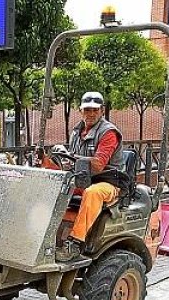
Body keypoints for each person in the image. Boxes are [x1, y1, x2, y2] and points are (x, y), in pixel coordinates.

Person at [54, 91, 127, 262]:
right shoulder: (76, 131)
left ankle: (75, 243)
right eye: (87, 110)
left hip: (109, 182)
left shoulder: (109, 132)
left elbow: (98, 164)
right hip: (83, 179)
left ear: (102, 111)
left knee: (93, 193)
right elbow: (70, 161)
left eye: (95, 110)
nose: (91, 113)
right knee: (54, 186)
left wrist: (71, 157)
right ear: (81, 111)